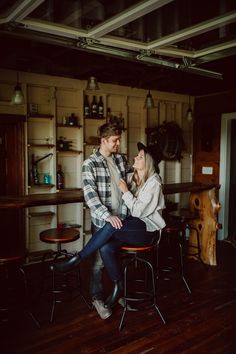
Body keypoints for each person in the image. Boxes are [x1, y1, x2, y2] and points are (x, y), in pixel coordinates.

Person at [53, 141, 166, 310]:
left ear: (148, 162)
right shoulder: (133, 176)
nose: (135, 157)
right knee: (106, 248)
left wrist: (126, 191)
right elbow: (114, 181)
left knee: (113, 224)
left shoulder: (154, 182)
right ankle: (118, 286)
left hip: (149, 231)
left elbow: (138, 212)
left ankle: (77, 259)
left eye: (140, 156)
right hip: (135, 228)